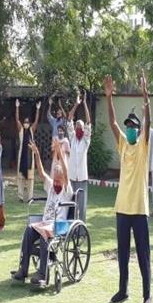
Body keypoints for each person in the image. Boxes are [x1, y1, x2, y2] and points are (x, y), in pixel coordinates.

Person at [105, 71, 153, 303]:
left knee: (143, 255)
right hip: (122, 208)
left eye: (134, 127)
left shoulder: (143, 145)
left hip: (140, 209)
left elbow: (149, 121)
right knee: (122, 253)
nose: (131, 130)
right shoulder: (124, 143)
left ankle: (147, 295)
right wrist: (109, 97)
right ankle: (123, 290)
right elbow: (113, 124)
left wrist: (145, 95)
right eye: (129, 127)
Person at [10, 139, 73, 288]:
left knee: (44, 234)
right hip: (45, 224)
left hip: (59, 225)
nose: (56, 183)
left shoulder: (66, 190)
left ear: (64, 180)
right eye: (55, 181)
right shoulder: (51, 186)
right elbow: (42, 172)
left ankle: (42, 275)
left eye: (59, 181)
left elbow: (65, 171)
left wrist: (59, 152)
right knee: (29, 230)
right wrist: (37, 154)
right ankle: (23, 270)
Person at [66, 89, 92, 220]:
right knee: (70, 204)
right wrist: (76, 104)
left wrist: (85, 103)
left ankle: (81, 230)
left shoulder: (86, 141)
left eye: (80, 127)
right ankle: (69, 228)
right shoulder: (72, 139)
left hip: (82, 177)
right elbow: (69, 119)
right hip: (71, 177)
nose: (78, 128)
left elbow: (88, 122)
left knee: (81, 207)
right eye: (76, 126)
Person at [15, 98, 41, 202]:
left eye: (27, 122)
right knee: (21, 178)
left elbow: (36, 121)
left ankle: (30, 197)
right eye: (24, 122)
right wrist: (17, 107)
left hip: (30, 159)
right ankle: (21, 197)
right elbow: (17, 119)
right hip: (22, 157)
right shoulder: (21, 130)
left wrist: (38, 109)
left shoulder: (31, 130)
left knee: (30, 179)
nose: (26, 123)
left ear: (29, 123)